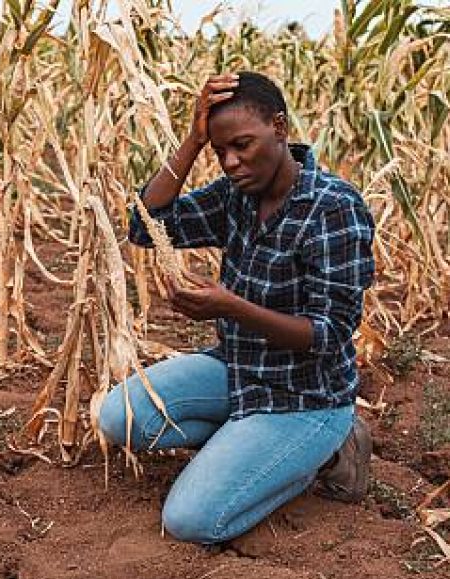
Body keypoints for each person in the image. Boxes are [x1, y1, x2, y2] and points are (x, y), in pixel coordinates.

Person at [98, 71, 375, 544]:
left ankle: (329, 451)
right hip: (237, 368)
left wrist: (231, 307)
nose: (231, 162)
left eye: (243, 145)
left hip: (303, 396)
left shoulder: (332, 208)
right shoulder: (238, 196)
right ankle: (251, 448)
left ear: (280, 127)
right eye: (219, 150)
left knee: (190, 521)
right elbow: (146, 226)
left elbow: (328, 335)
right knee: (120, 416)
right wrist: (192, 139)